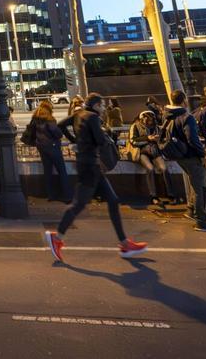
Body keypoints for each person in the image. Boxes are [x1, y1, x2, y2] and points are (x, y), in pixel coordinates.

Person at [44, 94, 148, 263]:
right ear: (97, 105)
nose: (104, 108)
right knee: (79, 204)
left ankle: (124, 243)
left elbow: (61, 125)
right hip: (90, 165)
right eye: (102, 105)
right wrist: (104, 134)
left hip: (88, 164)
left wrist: (75, 139)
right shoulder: (93, 117)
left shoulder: (78, 114)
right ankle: (57, 237)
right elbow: (100, 140)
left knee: (113, 201)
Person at [163, 90, 206, 232]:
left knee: (194, 183)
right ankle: (201, 220)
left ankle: (191, 210)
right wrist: (202, 153)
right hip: (191, 155)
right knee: (200, 187)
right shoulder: (186, 117)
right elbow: (192, 139)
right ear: (184, 100)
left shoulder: (168, 115)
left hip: (179, 156)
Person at [28, 100, 70, 203]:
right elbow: (57, 133)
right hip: (53, 146)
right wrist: (60, 133)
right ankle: (67, 196)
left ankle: (51, 195)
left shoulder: (36, 119)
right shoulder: (49, 119)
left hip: (41, 147)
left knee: (47, 171)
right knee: (62, 171)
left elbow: (32, 133)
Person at [127, 110, 171, 205]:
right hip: (141, 152)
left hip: (155, 151)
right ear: (143, 119)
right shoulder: (135, 126)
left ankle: (170, 194)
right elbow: (132, 141)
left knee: (164, 168)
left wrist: (158, 140)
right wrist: (148, 139)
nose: (150, 123)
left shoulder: (156, 127)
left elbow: (163, 140)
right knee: (150, 169)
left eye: (152, 121)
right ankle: (153, 196)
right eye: (148, 120)